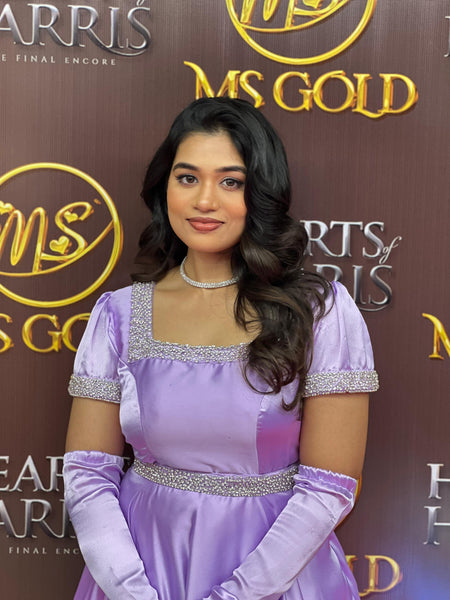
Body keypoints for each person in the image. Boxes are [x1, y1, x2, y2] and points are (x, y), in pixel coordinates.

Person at [63, 97, 379, 600]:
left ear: (262, 193)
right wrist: (130, 590)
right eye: (187, 178)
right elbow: (87, 472)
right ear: (164, 187)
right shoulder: (118, 314)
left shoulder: (320, 311)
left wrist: (236, 596)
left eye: (230, 182)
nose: (204, 200)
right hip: (139, 573)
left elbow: (330, 486)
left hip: (276, 579)